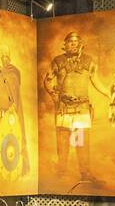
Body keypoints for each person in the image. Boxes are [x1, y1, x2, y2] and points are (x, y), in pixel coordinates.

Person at [43, 31, 108, 184]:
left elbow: (96, 82)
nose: (73, 43)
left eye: (76, 41)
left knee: (81, 142)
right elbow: (47, 80)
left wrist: (109, 94)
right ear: (64, 45)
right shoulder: (57, 61)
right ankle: (61, 172)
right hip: (64, 107)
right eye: (70, 41)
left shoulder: (88, 61)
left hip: (82, 108)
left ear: (80, 44)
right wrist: (54, 96)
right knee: (63, 141)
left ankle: (85, 173)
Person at [0, 45, 29, 177]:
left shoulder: (13, 72)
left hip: (11, 112)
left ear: (9, 58)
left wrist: (12, 105)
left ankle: (15, 172)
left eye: (6, 56)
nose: (4, 59)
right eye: (2, 57)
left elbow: (14, 89)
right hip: (0, 112)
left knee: (13, 140)